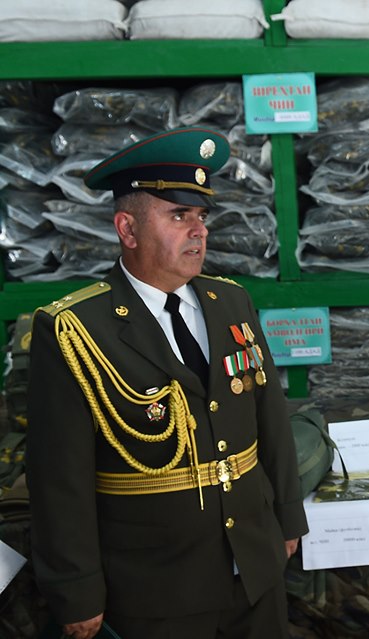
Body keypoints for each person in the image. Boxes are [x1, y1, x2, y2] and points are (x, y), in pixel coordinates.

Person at [27, 127, 308, 639]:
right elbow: (59, 479)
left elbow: (270, 418)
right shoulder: (75, 329)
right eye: (179, 216)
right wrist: (76, 589)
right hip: (155, 588)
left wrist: (288, 520)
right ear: (128, 229)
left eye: (201, 216)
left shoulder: (231, 302)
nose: (198, 231)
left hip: (255, 568)